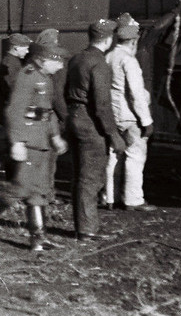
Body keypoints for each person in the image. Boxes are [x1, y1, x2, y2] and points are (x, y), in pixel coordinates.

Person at [0, 33, 69, 251]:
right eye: (57, 61)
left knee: (38, 191)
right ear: (43, 60)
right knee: (21, 188)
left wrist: (55, 136)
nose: (60, 67)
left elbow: (47, 112)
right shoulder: (27, 76)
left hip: (42, 141)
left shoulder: (45, 78)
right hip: (29, 141)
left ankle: (38, 239)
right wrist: (17, 142)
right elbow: (14, 110)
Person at [65, 18, 127, 240]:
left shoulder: (76, 59)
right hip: (90, 123)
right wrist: (113, 134)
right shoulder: (99, 63)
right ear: (109, 39)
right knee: (91, 178)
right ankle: (87, 230)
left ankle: (83, 226)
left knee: (79, 175)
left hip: (74, 118)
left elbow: (65, 92)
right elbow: (101, 104)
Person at [104, 13, 156, 211]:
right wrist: (146, 120)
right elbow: (136, 93)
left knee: (113, 156)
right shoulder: (129, 60)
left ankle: (110, 197)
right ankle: (133, 200)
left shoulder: (108, 56)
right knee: (135, 156)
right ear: (133, 40)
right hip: (131, 117)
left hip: (114, 115)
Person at [0, 34, 32, 180]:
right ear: (16, 48)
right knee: (14, 149)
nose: (27, 51)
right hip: (13, 112)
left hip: (12, 111)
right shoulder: (11, 65)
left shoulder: (14, 62)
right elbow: (14, 91)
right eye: (25, 48)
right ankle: (14, 183)